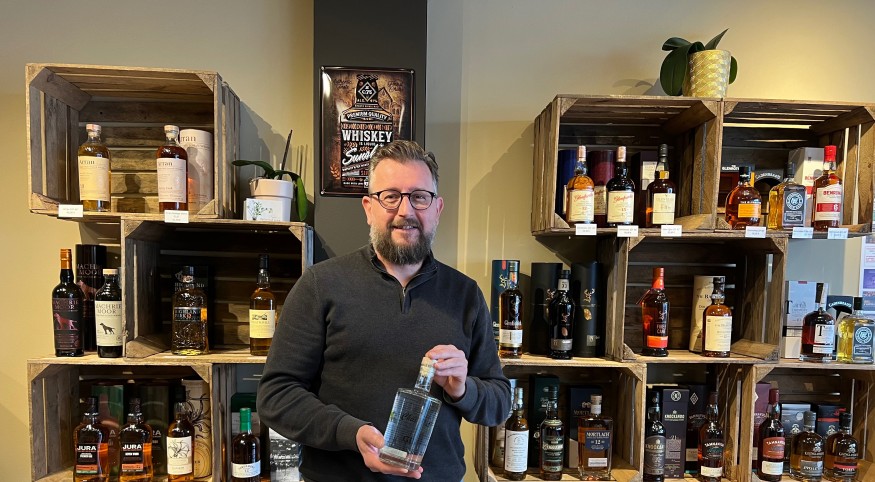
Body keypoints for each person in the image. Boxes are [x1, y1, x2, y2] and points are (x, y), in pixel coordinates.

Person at [257, 140, 512, 481]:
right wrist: (350, 432)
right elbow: (276, 396)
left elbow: (499, 402)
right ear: (368, 208)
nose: (405, 211)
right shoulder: (320, 285)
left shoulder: (466, 295)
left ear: (437, 208)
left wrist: (463, 388)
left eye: (419, 196)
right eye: (390, 196)